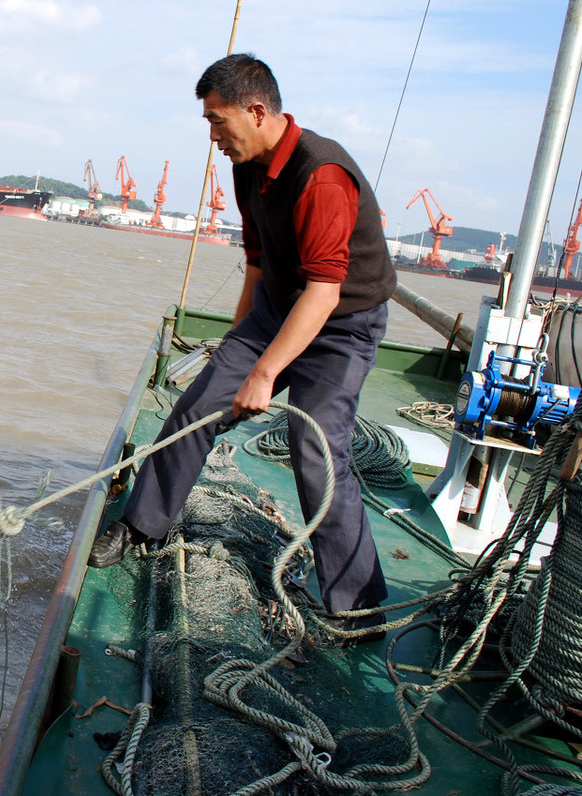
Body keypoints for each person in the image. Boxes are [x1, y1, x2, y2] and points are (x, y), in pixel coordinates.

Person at [88, 53, 393, 633]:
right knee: (197, 406)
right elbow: (257, 264)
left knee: (316, 447)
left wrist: (263, 374)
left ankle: (358, 606)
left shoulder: (322, 176)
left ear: (256, 111)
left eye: (216, 121)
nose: (214, 138)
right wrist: (237, 346)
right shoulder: (248, 165)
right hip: (278, 305)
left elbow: (324, 294)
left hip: (341, 325)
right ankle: (141, 523)